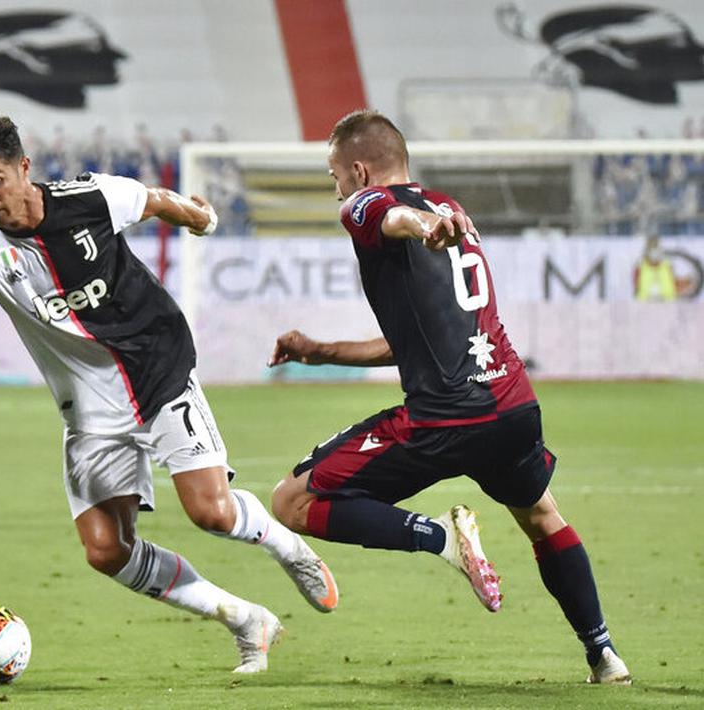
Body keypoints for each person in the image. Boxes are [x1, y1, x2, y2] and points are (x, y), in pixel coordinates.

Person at [0, 112, 337, 674]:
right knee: (105, 550)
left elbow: (155, 200)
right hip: (90, 411)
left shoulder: (91, 197)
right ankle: (245, 619)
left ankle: (287, 546)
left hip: (158, 370)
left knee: (212, 514)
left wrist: (200, 216)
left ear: (23, 168)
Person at [267, 109, 631, 685]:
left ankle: (439, 537)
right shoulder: (450, 207)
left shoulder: (367, 206)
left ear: (359, 171)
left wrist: (415, 224)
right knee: (541, 516)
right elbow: (419, 338)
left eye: (335, 174)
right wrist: (323, 350)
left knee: (292, 502)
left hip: (444, 420)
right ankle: (604, 655)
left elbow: (390, 217)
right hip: (512, 407)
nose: (335, 187)